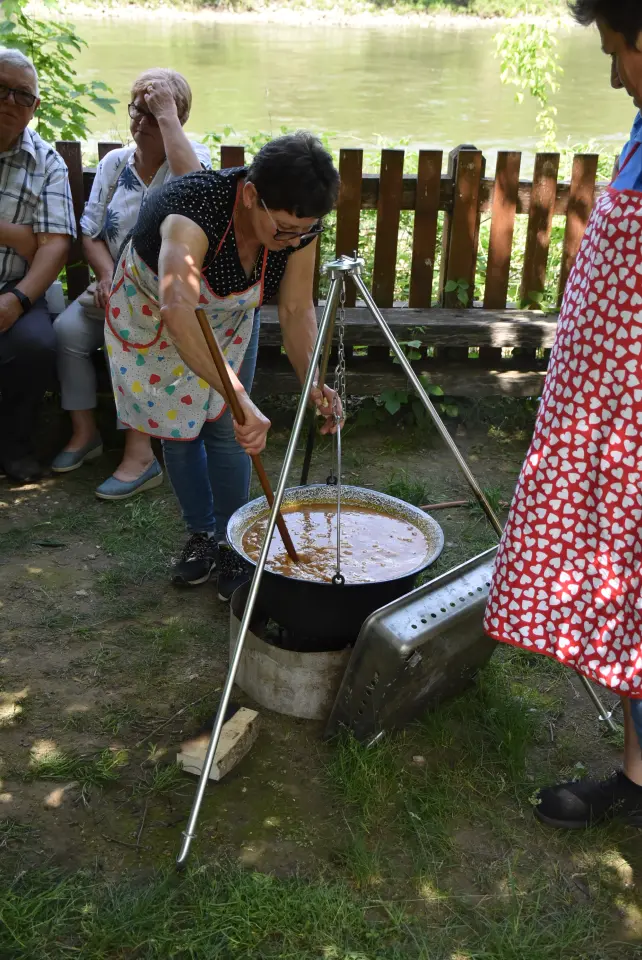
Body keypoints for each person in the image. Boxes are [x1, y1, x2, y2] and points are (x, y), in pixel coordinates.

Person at [484, 0, 642, 830]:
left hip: (632, 428)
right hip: (609, 428)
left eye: (619, 51)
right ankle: (639, 776)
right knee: (628, 599)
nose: (615, 75)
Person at [105, 132, 340, 599]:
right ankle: (201, 535)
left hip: (228, 316)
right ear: (251, 195)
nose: (293, 240)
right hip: (158, 312)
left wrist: (312, 379)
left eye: (304, 231)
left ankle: (233, 543)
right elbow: (178, 308)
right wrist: (242, 397)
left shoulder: (299, 230)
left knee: (230, 426)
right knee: (181, 429)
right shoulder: (193, 213)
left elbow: (296, 310)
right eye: (284, 230)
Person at [52, 68, 210, 500]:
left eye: (152, 114)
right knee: (67, 331)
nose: (139, 122)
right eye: (135, 110)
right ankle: (86, 434)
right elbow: (90, 232)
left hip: (167, 298)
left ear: (175, 121)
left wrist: (167, 119)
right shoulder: (115, 163)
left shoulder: (194, 160)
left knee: (129, 337)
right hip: (113, 284)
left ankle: (140, 456)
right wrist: (106, 276)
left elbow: (198, 196)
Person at [0, 49, 75, 484]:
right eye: (1, 89)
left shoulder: (47, 163)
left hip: (18, 284)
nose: (10, 101)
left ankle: (15, 445)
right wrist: (19, 234)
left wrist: (18, 298)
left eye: (22, 95)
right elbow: (36, 240)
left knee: (36, 344)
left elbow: (54, 248)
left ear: (35, 108)